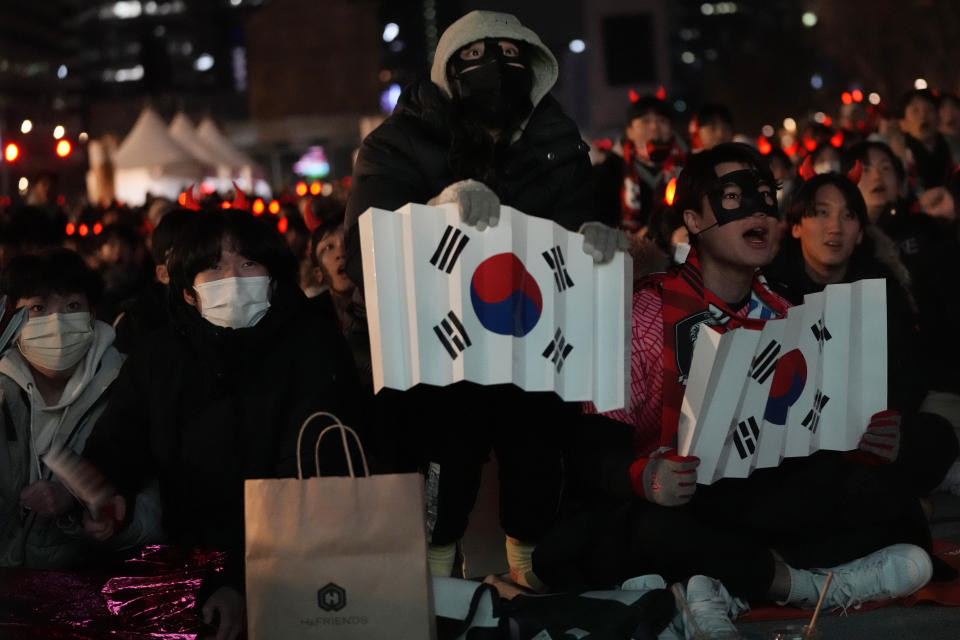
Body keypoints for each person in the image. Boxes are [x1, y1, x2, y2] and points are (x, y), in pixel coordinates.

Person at [534, 143, 934, 637]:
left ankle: (722, 584)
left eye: (766, 196)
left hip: (758, 501)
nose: (757, 209)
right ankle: (802, 584)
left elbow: (816, 437)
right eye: (733, 196)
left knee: (897, 505)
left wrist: (866, 446)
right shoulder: (641, 314)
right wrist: (645, 477)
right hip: (672, 507)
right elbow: (588, 455)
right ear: (694, 219)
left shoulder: (791, 311)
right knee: (636, 535)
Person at [343, 9, 624, 588]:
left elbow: (572, 230)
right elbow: (366, 248)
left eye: (510, 56)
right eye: (477, 57)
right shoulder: (396, 144)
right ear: (449, 71)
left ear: (536, 71)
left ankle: (531, 578)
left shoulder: (556, 141)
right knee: (442, 471)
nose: (495, 71)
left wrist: (593, 241)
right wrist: (441, 211)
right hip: (439, 350)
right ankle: (435, 588)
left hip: (529, 337)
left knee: (537, 463)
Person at [81, 209, 361, 640]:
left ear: (274, 276)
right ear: (188, 292)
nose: (232, 277)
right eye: (213, 266)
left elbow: (307, 475)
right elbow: (121, 440)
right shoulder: (159, 357)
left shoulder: (312, 346)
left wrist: (244, 581)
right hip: (186, 567)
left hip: (300, 569)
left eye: (248, 263)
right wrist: (107, 494)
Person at [765, 171, 959, 495]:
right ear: (796, 226)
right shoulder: (773, 292)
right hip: (801, 439)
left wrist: (889, 423)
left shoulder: (882, 289)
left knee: (935, 435)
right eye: (821, 212)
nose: (835, 227)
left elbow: (907, 372)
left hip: (870, 433)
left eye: (849, 215)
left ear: (859, 234)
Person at [0, 249, 161, 569]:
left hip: (89, 595)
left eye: (72, 306)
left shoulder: (130, 389)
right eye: (38, 308)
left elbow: (158, 508)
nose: (56, 322)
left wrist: (115, 519)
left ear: (91, 315)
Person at [896, 89, 955, 218]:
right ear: (903, 124)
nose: (923, 115)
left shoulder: (954, 147)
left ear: (938, 118)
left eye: (929, 110)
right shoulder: (896, 157)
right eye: (915, 111)